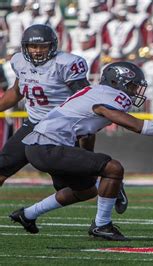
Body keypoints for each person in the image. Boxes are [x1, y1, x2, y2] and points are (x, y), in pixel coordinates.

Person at [9, 61, 153, 240]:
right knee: (114, 169)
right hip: (48, 146)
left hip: (38, 147)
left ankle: (28, 214)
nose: (134, 91)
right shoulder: (109, 96)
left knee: (85, 191)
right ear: (118, 82)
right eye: (132, 86)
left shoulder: (94, 92)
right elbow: (136, 126)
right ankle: (102, 225)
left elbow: (86, 134)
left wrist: (92, 165)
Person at [0, 24, 127, 214]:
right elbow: (17, 91)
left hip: (60, 128)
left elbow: (86, 99)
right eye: (33, 47)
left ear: (53, 46)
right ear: (24, 47)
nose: (37, 51)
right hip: (33, 124)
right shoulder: (19, 61)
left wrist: (84, 140)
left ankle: (108, 180)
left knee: (82, 189)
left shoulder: (66, 63)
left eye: (43, 46)